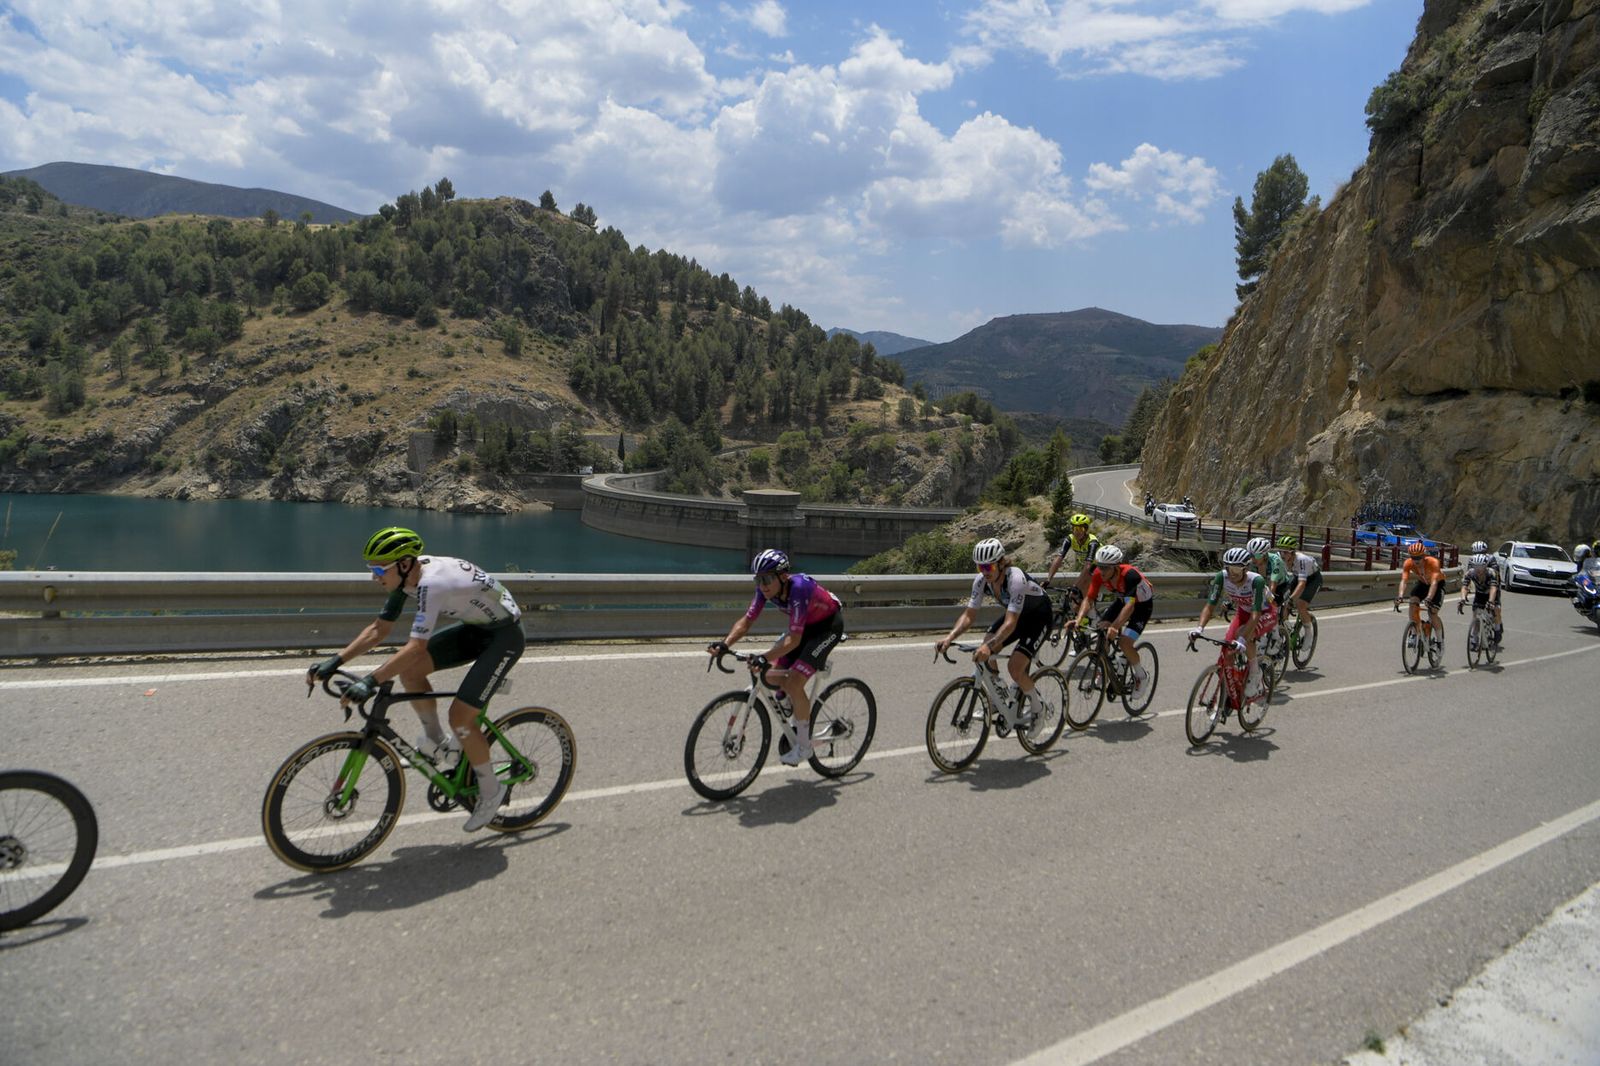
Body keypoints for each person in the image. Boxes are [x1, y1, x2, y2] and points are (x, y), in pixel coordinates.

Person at [307, 527, 525, 832]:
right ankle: (436, 742)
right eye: (372, 569)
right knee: (411, 671)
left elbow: (414, 647)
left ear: (405, 563)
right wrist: (337, 660)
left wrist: (370, 681)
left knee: (461, 718)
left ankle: (491, 791)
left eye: (379, 569)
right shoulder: (406, 577)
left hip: (504, 637)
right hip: (475, 629)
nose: (374, 576)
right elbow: (378, 631)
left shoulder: (432, 584)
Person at [710, 549, 843, 767]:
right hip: (803, 628)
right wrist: (725, 644)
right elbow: (746, 621)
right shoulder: (766, 590)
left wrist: (763, 656)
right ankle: (790, 701)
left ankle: (803, 746)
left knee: (793, 682)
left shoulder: (798, 589)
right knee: (770, 677)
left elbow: (794, 641)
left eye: (767, 579)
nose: (762, 585)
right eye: (758, 579)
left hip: (826, 629)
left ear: (782, 576)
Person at [935, 538, 1051, 733]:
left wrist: (989, 648)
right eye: (980, 567)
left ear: (1000, 563)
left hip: (1038, 618)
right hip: (1016, 616)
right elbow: (969, 616)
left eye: (988, 567)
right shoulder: (981, 581)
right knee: (986, 648)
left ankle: (1039, 708)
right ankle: (1000, 698)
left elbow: (1011, 623)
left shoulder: (1015, 579)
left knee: (1015, 668)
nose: (984, 572)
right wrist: (949, 638)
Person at [1069, 544, 1155, 701]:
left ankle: (1141, 676)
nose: (1101, 571)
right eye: (1099, 567)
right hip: (1123, 600)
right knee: (1102, 630)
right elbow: (1089, 598)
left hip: (1142, 606)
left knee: (1125, 643)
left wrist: (1115, 627)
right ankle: (1107, 668)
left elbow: (1130, 606)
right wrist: (1079, 618)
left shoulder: (1130, 575)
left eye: (1105, 568)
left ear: (1116, 567)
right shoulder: (1098, 574)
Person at [1191, 546, 1278, 698]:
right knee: (1227, 650)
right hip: (1244, 612)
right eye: (1230, 569)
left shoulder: (1255, 580)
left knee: (1244, 637)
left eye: (1237, 570)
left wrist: (1243, 640)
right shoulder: (1222, 577)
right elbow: (1210, 605)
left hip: (1265, 613)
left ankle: (1255, 673)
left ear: (1246, 569)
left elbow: (1256, 614)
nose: (1233, 574)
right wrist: (1199, 628)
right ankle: (1231, 688)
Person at [1396, 540, 1445, 655]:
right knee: (1412, 602)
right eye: (1413, 557)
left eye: (1418, 557)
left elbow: (1434, 583)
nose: (1416, 560)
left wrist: (1428, 598)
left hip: (1437, 585)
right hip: (1422, 584)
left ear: (1424, 556)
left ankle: (1439, 642)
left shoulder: (1433, 562)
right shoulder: (1408, 563)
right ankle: (1413, 632)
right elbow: (1404, 580)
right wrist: (1400, 596)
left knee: (1433, 613)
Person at [1043, 513, 1101, 594]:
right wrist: (1048, 580)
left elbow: (1088, 566)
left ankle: (1089, 604)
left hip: (1100, 567)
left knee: (1081, 594)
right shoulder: (1070, 539)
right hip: (1089, 568)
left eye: (1081, 529)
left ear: (1086, 530)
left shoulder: (1092, 542)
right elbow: (1059, 558)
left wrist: (1075, 585)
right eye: (1075, 528)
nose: (1077, 532)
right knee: (1075, 598)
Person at [1276, 533, 1323, 632]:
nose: (1282, 555)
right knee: (1283, 605)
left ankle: (1308, 634)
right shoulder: (1279, 558)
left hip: (1313, 579)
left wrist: (1292, 599)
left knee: (1300, 604)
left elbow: (1302, 584)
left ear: (1292, 552)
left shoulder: (1302, 560)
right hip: (1297, 577)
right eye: (1280, 551)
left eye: (1285, 552)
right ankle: (1286, 630)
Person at [1457, 552, 1503, 649]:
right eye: (1476, 566)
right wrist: (1462, 599)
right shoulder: (1470, 573)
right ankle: (1474, 639)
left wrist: (1491, 602)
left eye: (1481, 566)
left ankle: (1498, 629)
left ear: (1485, 566)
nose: (1478, 569)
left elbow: (1494, 588)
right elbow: (1465, 587)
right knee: (1476, 615)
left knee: (1496, 609)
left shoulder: (1492, 573)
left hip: (1492, 592)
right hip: (1480, 593)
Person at [1247, 536, 1293, 612]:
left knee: (1273, 606)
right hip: (1265, 586)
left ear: (1265, 555)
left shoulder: (1275, 561)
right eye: (1251, 555)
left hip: (1281, 586)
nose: (1253, 559)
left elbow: (1273, 583)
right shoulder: (1251, 563)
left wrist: (1269, 600)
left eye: (1257, 555)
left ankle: (1282, 620)